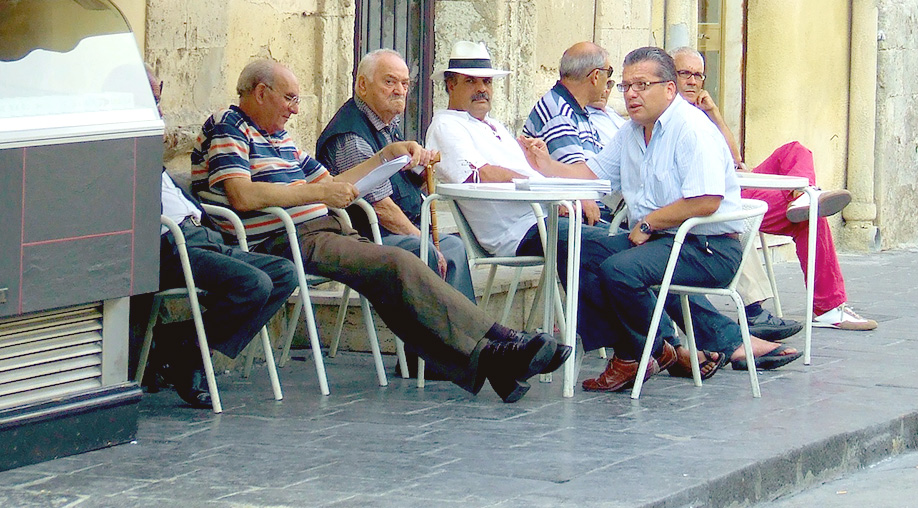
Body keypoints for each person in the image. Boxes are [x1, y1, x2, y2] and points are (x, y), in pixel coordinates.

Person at [191, 57, 569, 403]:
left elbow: (339, 182)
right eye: (290, 98)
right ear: (261, 93)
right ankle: (501, 342)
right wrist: (319, 192)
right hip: (286, 238)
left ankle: (491, 360)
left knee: (394, 283)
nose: (295, 108)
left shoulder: (279, 138)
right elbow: (241, 194)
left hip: (321, 230)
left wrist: (384, 157)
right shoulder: (230, 128)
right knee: (398, 263)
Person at [523, 47, 801, 393]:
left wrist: (649, 222)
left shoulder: (691, 129)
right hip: (665, 241)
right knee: (576, 248)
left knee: (620, 271)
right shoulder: (631, 131)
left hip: (708, 247)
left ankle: (641, 353)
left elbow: (707, 199)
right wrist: (545, 165)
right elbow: (591, 174)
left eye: (642, 84)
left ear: (669, 89)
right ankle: (652, 350)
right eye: (625, 86)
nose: (631, 94)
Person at [670, 47, 877, 331]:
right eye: (685, 74)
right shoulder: (673, 115)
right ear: (670, 75)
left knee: (794, 150)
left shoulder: (699, 112)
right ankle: (828, 306)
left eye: (698, 75)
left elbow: (735, 159)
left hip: (737, 176)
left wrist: (715, 113)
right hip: (724, 191)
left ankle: (804, 195)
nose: (692, 81)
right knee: (811, 218)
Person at [142, 67, 299, 409]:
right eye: (152, 100)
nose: (160, 111)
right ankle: (192, 355)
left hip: (199, 232)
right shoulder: (122, 143)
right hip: (167, 244)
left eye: (159, 99)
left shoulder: (146, 143)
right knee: (254, 284)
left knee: (284, 273)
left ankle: (182, 344)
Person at [316, 49, 476, 372]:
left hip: (390, 229)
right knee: (427, 251)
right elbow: (380, 207)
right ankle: (428, 359)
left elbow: (398, 177)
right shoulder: (351, 134)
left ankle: (466, 346)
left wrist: (418, 166)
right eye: (390, 82)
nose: (400, 90)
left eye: (405, 83)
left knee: (455, 246)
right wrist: (421, 236)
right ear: (362, 86)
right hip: (364, 237)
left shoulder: (386, 124)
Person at [425, 42, 610, 259]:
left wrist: (538, 162)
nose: (482, 89)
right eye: (470, 81)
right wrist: (558, 196)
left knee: (612, 242)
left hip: (543, 219)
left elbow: (525, 171)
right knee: (603, 246)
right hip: (516, 231)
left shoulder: (494, 126)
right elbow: (484, 174)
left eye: (487, 82)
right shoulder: (446, 125)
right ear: (451, 85)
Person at [522, 41, 612, 224]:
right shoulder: (559, 112)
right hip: (577, 218)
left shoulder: (574, 108)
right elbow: (577, 179)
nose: (609, 83)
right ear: (595, 76)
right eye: (608, 73)